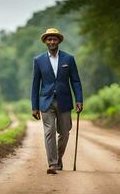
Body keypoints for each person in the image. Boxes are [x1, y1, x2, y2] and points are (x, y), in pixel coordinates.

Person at [31, 28, 83, 174]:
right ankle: (52, 163)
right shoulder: (38, 60)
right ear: (45, 42)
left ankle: (59, 157)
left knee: (65, 133)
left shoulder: (69, 59)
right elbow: (35, 85)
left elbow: (75, 81)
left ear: (59, 41)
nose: (52, 41)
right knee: (49, 132)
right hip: (46, 102)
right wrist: (34, 107)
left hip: (64, 101)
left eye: (54, 39)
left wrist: (79, 99)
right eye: (49, 39)